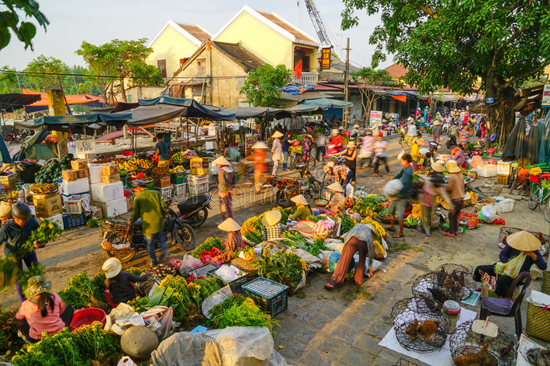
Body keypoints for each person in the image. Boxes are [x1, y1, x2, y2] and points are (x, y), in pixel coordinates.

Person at [474, 231, 547, 298]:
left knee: (502, 280)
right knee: (479, 269)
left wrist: (532, 255)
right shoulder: (513, 244)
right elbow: (502, 254)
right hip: (504, 268)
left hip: (517, 275)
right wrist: (507, 265)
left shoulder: (533, 251)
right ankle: (484, 288)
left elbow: (544, 266)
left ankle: (501, 299)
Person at [0, 202, 40, 301]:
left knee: (36, 272)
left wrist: (39, 242)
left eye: (25, 219)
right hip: (13, 256)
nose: (23, 222)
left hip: (28, 250)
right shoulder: (6, 228)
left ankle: (40, 296)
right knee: (20, 278)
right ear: (14, 217)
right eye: (20, 220)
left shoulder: (32, 222)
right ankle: (25, 302)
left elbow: (40, 234)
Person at [15, 276, 74, 342]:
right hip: (58, 330)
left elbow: (18, 317)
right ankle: (64, 328)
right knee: (70, 308)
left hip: (38, 337)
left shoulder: (26, 304)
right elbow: (62, 310)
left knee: (17, 320)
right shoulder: (54, 296)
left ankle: (28, 340)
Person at [324, 224, 377, 290]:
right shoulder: (369, 235)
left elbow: (347, 236)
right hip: (363, 244)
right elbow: (371, 253)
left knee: (344, 260)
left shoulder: (358, 226)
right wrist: (371, 267)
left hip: (352, 240)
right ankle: (358, 280)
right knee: (361, 262)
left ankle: (334, 282)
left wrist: (344, 250)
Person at [130, 180, 168, 266]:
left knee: (150, 244)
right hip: (159, 222)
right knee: (162, 239)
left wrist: (131, 220)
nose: (134, 191)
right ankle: (164, 254)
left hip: (148, 226)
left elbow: (135, 213)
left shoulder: (138, 198)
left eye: (135, 189)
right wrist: (165, 215)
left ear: (139, 188)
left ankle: (154, 263)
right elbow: (164, 206)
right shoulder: (156, 193)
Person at [386, 154, 413, 239]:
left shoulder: (409, 172)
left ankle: (401, 232)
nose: (401, 162)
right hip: (397, 194)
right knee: (391, 210)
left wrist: (395, 193)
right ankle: (392, 226)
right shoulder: (405, 169)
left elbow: (404, 186)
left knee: (400, 215)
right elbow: (399, 175)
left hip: (402, 196)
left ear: (405, 161)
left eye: (401, 161)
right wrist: (392, 180)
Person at [444, 160, 465, 238]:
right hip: (461, 199)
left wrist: (444, 188)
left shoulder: (452, 177)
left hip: (455, 199)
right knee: (456, 216)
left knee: (451, 216)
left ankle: (451, 232)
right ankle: (456, 230)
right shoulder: (461, 175)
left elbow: (449, 188)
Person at [213, 156, 236, 221]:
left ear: (221, 164)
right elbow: (234, 179)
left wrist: (228, 188)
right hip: (230, 191)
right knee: (229, 206)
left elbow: (223, 181)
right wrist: (231, 188)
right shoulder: (231, 170)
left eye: (218, 163)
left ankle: (225, 221)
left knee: (223, 207)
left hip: (223, 191)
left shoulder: (222, 171)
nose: (217, 165)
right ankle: (232, 220)